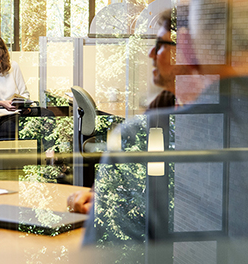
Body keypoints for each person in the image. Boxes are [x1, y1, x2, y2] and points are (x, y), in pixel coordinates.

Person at [76, 2, 248, 262]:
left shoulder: (146, 134)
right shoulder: (161, 109)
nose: (150, 54)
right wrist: (111, 197)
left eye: (161, 45)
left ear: (187, 48)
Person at [67, 8, 195, 214]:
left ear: (186, 52)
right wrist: (97, 193)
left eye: (160, 45)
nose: (150, 53)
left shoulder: (212, 116)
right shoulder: (165, 101)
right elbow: (134, 155)